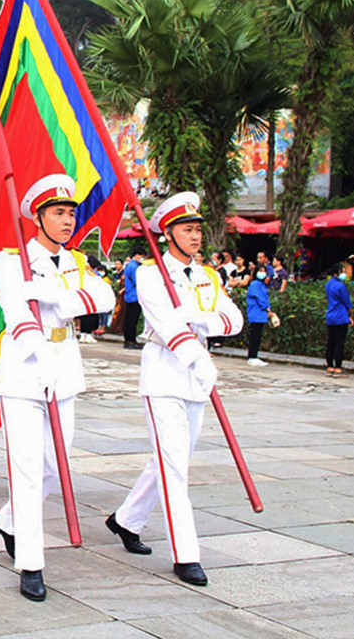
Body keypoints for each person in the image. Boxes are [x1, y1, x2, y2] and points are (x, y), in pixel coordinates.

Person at [0, 174, 115, 602]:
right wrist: (37, 355)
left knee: (51, 468)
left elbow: (105, 300)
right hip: (26, 373)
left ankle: (8, 520)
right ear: (38, 218)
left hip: (64, 372)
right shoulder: (12, 260)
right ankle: (31, 563)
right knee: (26, 469)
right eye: (59, 213)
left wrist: (52, 293)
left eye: (71, 212)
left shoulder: (78, 263)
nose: (68, 220)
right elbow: (16, 312)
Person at [107, 192, 243, 589]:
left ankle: (126, 520)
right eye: (187, 229)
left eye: (198, 229)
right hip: (165, 376)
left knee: (169, 458)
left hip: (196, 382)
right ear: (168, 234)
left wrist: (197, 318)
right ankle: (187, 554)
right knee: (174, 467)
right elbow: (167, 327)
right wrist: (199, 352)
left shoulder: (208, 275)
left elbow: (232, 320)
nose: (196, 236)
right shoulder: (151, 273)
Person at [325, 261, 353, 378]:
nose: (344, 274)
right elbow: (346, 302)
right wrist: (350, 313)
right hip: (340, 316)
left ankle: (329, 365)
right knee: (339, 342)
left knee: (331, 341)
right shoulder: (340, 286)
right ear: (337, 274)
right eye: (343, 272)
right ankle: (338, 366)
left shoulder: (328, 284)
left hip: (330, 316)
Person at [246, 267, 272, 367]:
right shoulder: (255, 284)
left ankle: (254, 355)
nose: (262, 273)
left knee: (258, 335)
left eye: (264, 271)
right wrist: (267, 308)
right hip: (256, 313)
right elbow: (260, 298)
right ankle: (252, 356)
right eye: (260, 271)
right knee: (255, 335)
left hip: (261, 314)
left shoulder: (262, 285)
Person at [122, 246, 146, 349]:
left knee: (127, 319)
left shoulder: (128, 265)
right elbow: (138, 282)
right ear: (137, 255)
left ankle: (128, 340)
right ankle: (131, 341)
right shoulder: (135, 267)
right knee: (133, 320)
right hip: (135, 295)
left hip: (129, 295)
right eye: (142, 256)